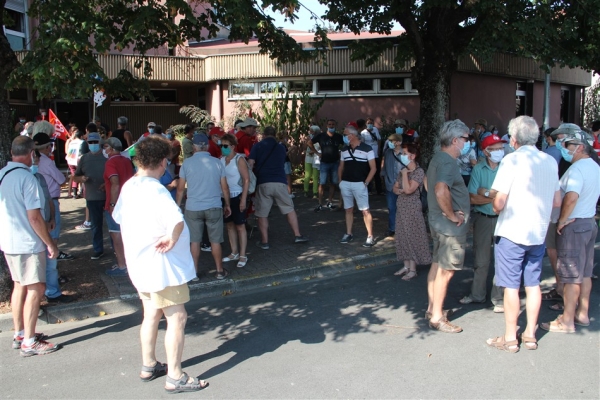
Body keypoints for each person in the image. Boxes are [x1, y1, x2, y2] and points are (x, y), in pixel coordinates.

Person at [113, 136, 208, 393]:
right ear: (163, 162)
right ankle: (175, 376)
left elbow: (118, 216)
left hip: (140, 264)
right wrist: (172, 237)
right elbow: (176, 219)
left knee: (151, 314)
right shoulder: (156, 191)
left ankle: (149, 364)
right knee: (177, 317)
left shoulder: (130, 186)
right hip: (164, 268)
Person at [487, 115, 560, 352]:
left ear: (514, 139)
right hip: (537, 231)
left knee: (510, 286)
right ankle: (530, 334)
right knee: (533, 284)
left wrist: (495, 204)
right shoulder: (549, 161)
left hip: (511, 231)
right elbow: (557, 200)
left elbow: (499, 202)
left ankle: (510, 337)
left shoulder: (511, 161)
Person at [0, 136, 60, 356]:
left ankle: (20, 333)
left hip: (9, 241)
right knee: (36, 287)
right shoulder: (28, 179)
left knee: (19, 285)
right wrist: (49, 243)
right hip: (27, 242)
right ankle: (29, 341)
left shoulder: (3, 175)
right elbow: (35, 217)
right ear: (30, 153)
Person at [541, 130, 600, 334]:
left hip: (573, 226)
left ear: (581, 147)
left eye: (568, 145)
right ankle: (582, 314)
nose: (564, 149)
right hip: (588, 223)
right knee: (584, 273)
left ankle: (566, 321)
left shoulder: (577, 170)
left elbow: (571, 197)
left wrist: (562, 221)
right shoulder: (594, 166)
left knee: (570, 276)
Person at [425, 119, 471, 333]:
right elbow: (440, 189)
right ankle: (437, 317)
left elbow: (428, 183)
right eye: (465, 139)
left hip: (438, 223)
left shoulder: (438, 158)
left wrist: (440, 210)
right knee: (446, 270)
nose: (467, 143)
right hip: (449, 228)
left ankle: (432, 309)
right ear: (455, 140)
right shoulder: (448, 162)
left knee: (437, 264)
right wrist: (451, 214)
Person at [460, 134, 506, 311]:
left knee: (503, 260)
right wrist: (495, 196)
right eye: (496, 149)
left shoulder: (507, 167)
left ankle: (499, 298)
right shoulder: (478, 169)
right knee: (481, 259)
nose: (500, 152)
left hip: (504, 219)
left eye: (501, 148)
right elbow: (472, 198)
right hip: (484, 219)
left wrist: (484, 193)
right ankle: (477, 295)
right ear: (487, 152)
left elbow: (512, 197)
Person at [176, 133, 231, 280]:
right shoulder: (217, 162)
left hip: (193, 207)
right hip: (214, 206)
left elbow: (180, 189)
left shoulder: (187, 163)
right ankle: (219, 271)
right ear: (207, 145)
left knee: (195, 241)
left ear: (193, 146)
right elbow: (225, 188)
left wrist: (177, 206)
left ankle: (194, 273)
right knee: (215, 240)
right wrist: (227, 204)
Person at [248, 126, 309, 249]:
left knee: (262, 213)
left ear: (264, 135)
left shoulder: (257, 146)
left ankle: (265, 242)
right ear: (275, 135)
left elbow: (250, 164)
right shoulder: (281, 147)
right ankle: (297, 235)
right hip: (280, 182)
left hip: (263, 182)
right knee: (289, 208)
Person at [32, 126, 74, 262]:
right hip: (50, 200)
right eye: (50, 145)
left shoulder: (31, 162)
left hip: (34, 202)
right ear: (46, 147)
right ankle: (53, 270)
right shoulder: (46, 161)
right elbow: (61, 180)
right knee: (52, 235)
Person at [392, 143, 431, 280]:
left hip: (412, 208)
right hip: (401, 207)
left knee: (412, 236)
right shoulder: (403, 170)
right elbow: (395, 189)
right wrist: (401, 187)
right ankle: (406, 265)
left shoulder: (418, 172)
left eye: (404, 153)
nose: (402, 156)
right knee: (402, 236)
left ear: (412, 156)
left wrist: (404, 176)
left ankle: (413, 269)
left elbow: (409, 190)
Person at [337, 124, 377, 247]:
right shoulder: (344, 149)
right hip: (346, 183)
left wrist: (366, 182)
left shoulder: (367, 148)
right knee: (348, 209)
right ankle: (348, 233)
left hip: (360, 183)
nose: (344, 137)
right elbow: (341, 167)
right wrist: (340, 182)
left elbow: (373, 168)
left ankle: (370, 236)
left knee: (365, 210)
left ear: (352, 135)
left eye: (345, 134)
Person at [103, 137, 135, 276]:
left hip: (117, 203)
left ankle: (122, 265)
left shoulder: (110, 162)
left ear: (110, 148)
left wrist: (112, 204)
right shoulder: (127, 160)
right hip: (129, 201)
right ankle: (129, 262)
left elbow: (115, 182)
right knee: (128, 234)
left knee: (116, 235)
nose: (104, 150)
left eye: (105, 147)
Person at [74, 131, 108, 260]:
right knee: (95, 225)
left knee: (113, 225)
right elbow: (75, 176)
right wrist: (81, 178)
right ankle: (98, 249)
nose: (93, 144)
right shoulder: (84, 158)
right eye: (90, 142)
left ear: (99, 143)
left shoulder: (106, 157)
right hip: (92, 196)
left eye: (95, 142)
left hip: (108, 196)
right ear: (87, 143)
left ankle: (117, 248)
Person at [220, 134, 250, 268]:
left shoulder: (239, 159)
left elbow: (246, 179)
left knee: (240, 226)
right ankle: (234, 252)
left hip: (237, 195)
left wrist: (243, 199)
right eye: (221, 145)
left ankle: (243, 254)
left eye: (225, 146)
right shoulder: (221, 160)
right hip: (224, 197)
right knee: (229, 225)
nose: (223, 148)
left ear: (232, 146)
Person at [308, 118, 344, 212]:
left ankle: (330, 202)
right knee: (322, 183)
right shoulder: (321, 136)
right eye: (329, 124)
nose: (331, 126)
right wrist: (317, 153)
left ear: (335, 125)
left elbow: (346, 144)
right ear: (327, 126)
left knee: (333, 183)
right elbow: (309, 143)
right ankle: (320, 203)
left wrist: (342, 153)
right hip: (324, 162)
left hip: (335, 163)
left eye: (333, 124)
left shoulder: (338, 136)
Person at [380, 133, 405, 236]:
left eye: (392, 141)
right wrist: (384, 178)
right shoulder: (388, 153)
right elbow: (384, 167)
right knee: (391, 207)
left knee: (403, 208)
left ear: (399, 142)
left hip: (403, 187)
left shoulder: (405, 153)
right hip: (390, 185)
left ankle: (403, 228)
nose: (390, 143)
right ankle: (392, 228)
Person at [360, 118, 383, 194]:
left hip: (375, 154)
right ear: (366, 124)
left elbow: (379, 139)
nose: (370, 124)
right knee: (368, 172)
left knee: (377, 172)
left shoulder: (375, 130)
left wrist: (379, 150)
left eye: (371, 123)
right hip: (368, 155)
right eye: (368, 123)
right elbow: (362, 144)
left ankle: (379, 190)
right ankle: (368, 189)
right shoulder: (363, 133)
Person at [65, 129, 84, 199]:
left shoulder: (71, 142)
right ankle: (81, 192)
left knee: (74, 176)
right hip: (78, 160)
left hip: (70, 160)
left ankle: (74, 193)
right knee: (80, 176)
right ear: (81, 136)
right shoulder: (82, 142)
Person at [303, 125, 321, 198]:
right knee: (307, 175)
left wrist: (314, 151)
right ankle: (305, 191)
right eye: (310, 130)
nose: (310, 132)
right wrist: (306, 142)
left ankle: (315, 193)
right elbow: (304, 147)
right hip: (308, 158)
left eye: (311, 131)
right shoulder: (308, 137)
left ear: (315, 131)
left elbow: (320, 147)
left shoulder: (319, 137)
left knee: (315, 176)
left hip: (316, 158)